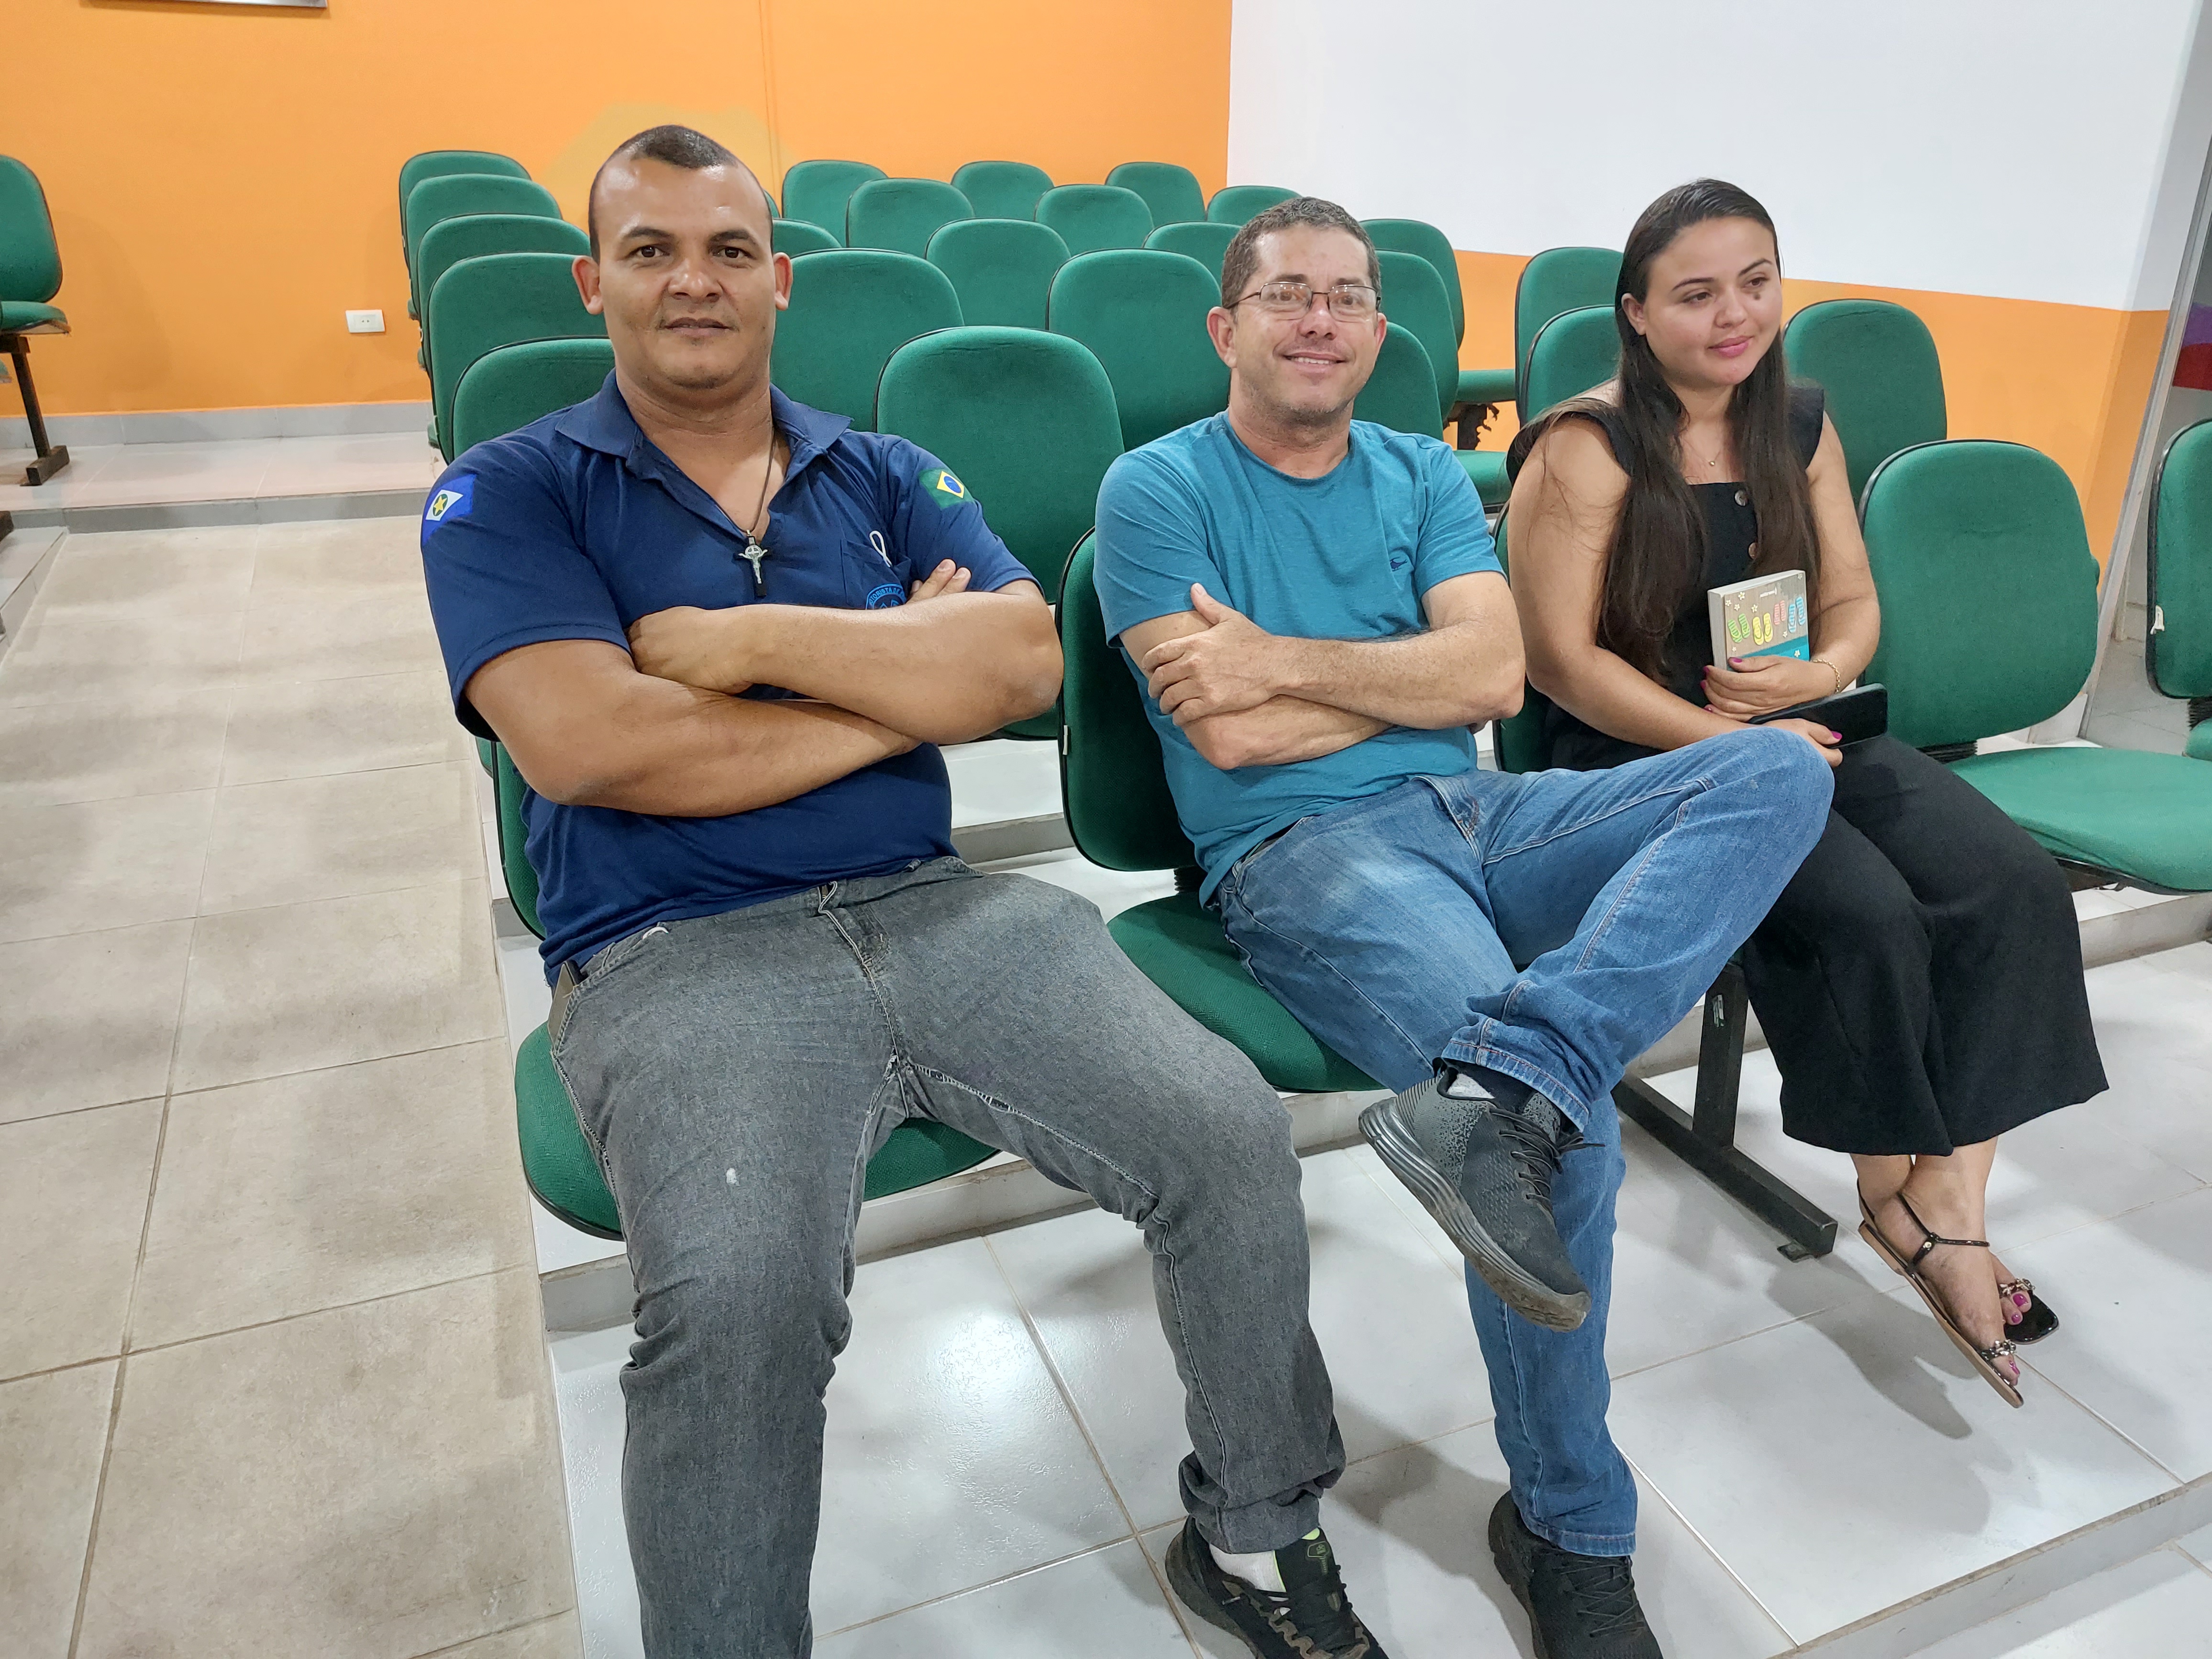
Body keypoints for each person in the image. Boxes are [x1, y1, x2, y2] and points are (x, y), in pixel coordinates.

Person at [420, 126, 1388, 1659]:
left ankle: (1256, 1526)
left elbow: (1021, 664)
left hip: (943, 909)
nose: (694, 280)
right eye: (653, 250)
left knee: (1226, 1131)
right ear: (593, 281)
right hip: (674, 955)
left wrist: (750, 651)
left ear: (780, 281)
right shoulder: (508, 492)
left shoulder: (882, 471)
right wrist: (898, 682)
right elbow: (595, 743)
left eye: (731, 250)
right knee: (738, 1299)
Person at [1093, 195, 1836, 1659]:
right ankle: (1572, 1521)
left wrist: (1284, 661)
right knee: (1573, 1138)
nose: (1322, 320)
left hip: (1483, 810)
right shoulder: (1156, 489)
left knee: (1774, 773)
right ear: (1227, 326)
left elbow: (1494, 680)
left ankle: (1518, 1067)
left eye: (1348, 297)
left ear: (1383, 329)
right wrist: (1400, 677)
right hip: (1302, 852)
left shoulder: (1424, 469)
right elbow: (1226, 736)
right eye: (1289, 294)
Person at [1504, 178, 2107, 1408]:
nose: (1733, 314)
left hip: (1796, 722)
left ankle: (1943, 1204)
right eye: (1694, 294)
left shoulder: (1798, 425)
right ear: (1634, 313)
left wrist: (1819, 678)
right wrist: (1733, 751)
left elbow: (1850, 601)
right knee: (1867, 915)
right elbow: (1558, 662)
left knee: (2011, 887)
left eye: (1755, 283)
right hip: (1640, 755)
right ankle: (1894, 1189)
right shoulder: (1585, 445)